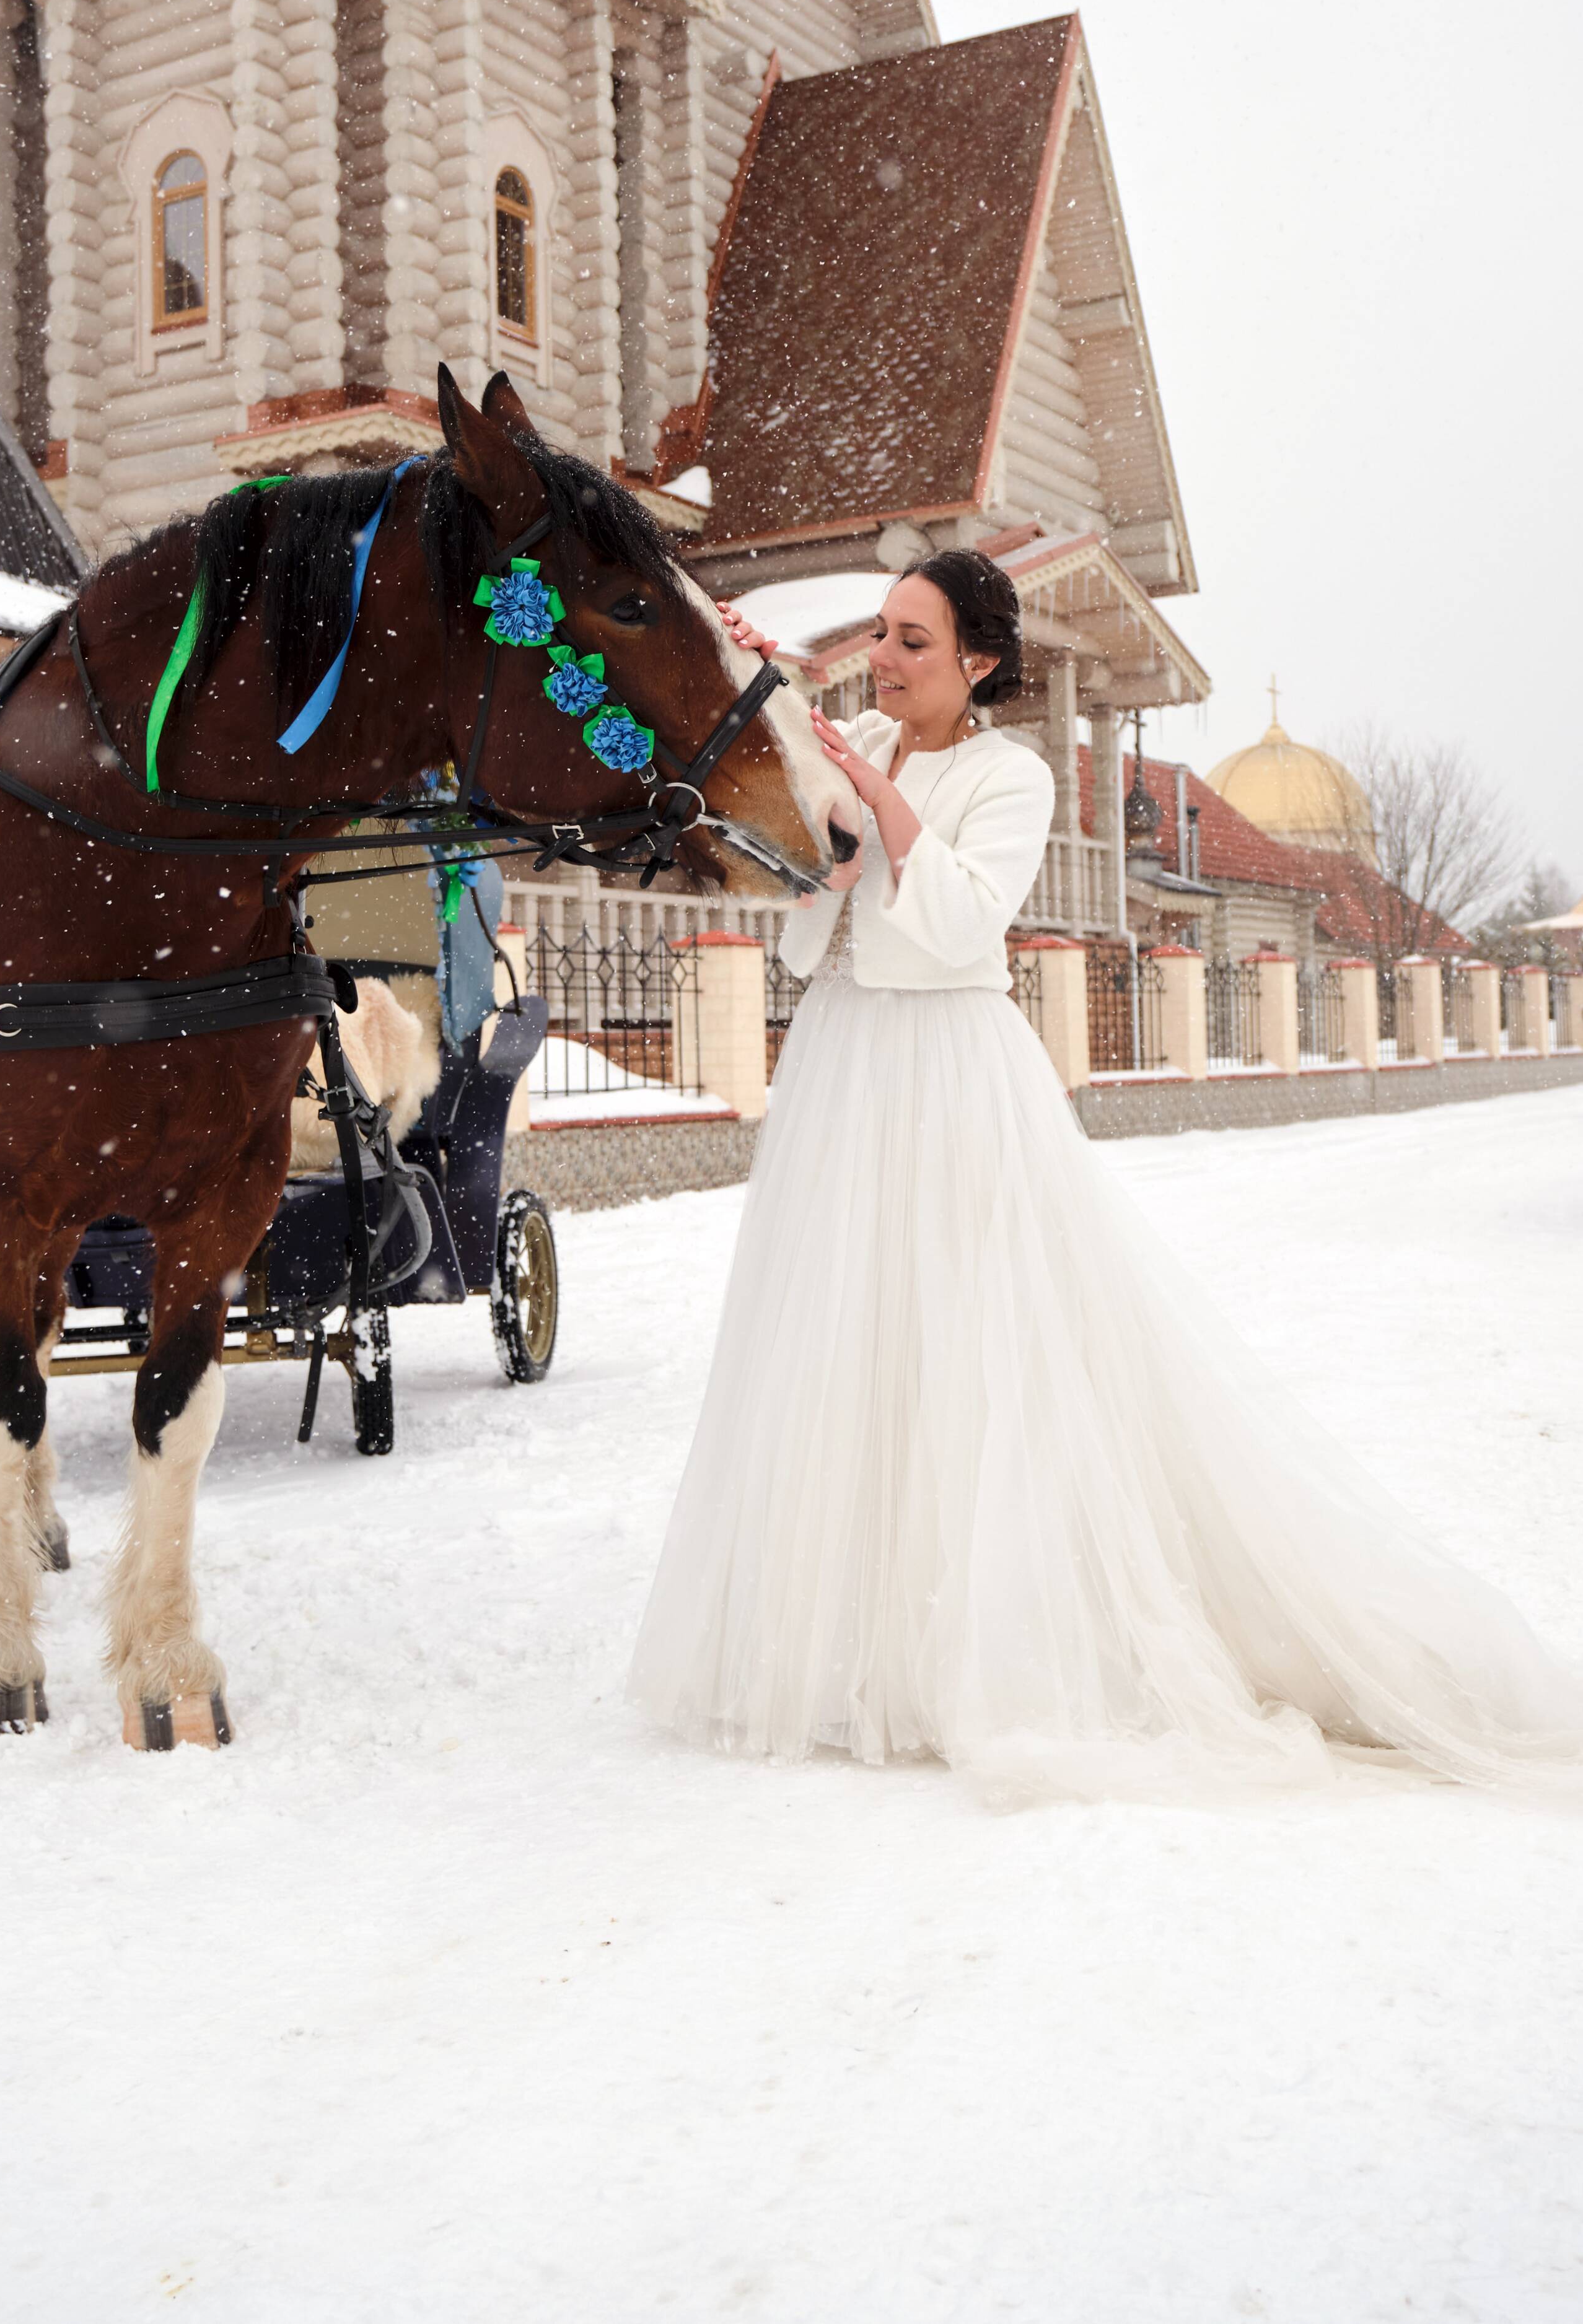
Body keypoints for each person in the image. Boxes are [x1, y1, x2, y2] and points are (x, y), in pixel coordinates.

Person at [628, 553, 1583, 1799]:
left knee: (975, 1343)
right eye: (884, 636)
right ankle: (855, 1644)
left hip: (952, 1078)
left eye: (916, 640)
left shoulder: (1008, 775)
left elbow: (961, 931)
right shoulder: (860, 733)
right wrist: (814, 791)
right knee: (844, 1339)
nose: (888, 659)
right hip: (843, 1072)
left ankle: (982, 1641)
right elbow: (812, 904)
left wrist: (876, 802)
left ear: (978, 659)